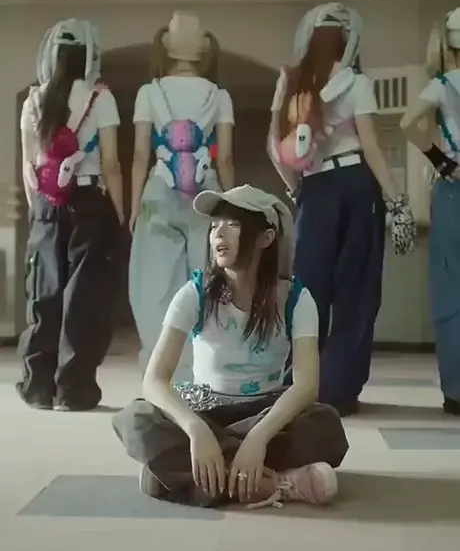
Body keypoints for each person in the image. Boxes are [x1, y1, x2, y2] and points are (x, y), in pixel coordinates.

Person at [113, 185, 349, 509]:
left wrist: (258, 438)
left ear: (266, 238)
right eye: (214, 226)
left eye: (232, 224)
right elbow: (154, 380)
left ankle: (191, 477)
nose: (218, 234)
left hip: (264, 412)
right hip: (206, 409)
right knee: (136, 419)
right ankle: (277, 482)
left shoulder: (296, 299)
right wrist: (196, 430)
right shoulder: (195, 294)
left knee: (326, 425)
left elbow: (306, 386)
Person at [267, 3, 416, 417]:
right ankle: (340, 391)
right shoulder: (357, 83)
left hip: (314, 187)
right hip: (356, 184)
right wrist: (397, 203)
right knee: (357, 291)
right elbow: (372, 148)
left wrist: (297, 189)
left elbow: (275, 147)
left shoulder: (291, 80)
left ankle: (299, 386)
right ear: (350, 40)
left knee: (308, 291)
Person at [17, 19, 124, 411]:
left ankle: (37, 388)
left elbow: (29, 165)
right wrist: (120, 213)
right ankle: (73, 391)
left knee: (43, 294)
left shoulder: (33, 100)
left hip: (47, 204)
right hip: (89, 202)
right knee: (84, 297)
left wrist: (41, 210)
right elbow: (111, 164)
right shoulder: (101, 98)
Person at [128, 11, 235, 372]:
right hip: (207, 196)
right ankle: (206, 368)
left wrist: (133, 206)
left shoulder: (149, 93)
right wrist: (235, 204)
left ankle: (164, 370)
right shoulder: (220, 96)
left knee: (157, 287)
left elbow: (140, 155)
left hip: (159, 191)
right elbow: (226, 160)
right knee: (208, 284)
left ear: (168, 50)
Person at [400, 8, 460, 416]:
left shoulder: (442, 85)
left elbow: (408, 123)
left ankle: (456, 391)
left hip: (454, 190)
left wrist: (443, 161)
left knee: (451, 289)